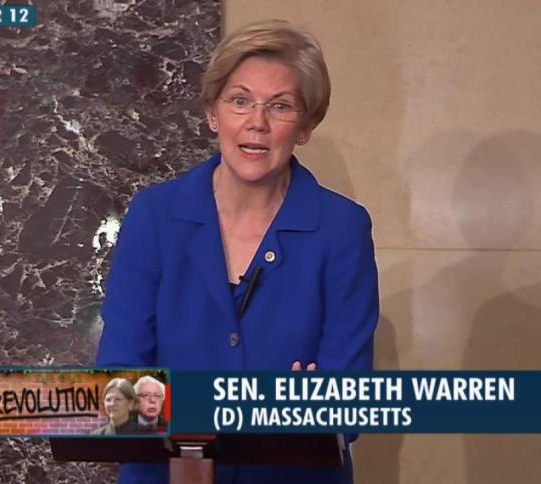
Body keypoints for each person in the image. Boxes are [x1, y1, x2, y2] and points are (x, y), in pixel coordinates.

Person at [96, 19, 379, 483]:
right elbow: (118, 385)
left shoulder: (342, 228)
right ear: (213, 113)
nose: (256, 123)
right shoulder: (154, 216)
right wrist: (276, 408)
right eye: (240, 100)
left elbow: (346, 405)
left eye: (280, 106)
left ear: (306, 125)